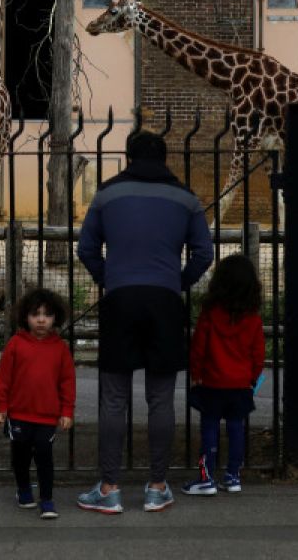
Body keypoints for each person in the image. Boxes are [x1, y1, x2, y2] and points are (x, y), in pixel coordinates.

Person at [75, 130, 214, 514]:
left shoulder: (106, 195)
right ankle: (156, 486)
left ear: (129, 156)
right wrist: (178, 282)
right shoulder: (187, 199)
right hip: (165, 301)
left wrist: (109, 277)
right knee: (161, 399)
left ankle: (110, 487)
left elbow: (86, 248)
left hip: (120, 299)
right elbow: (204, 252)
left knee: (114, 398)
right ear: (165, 157)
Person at [182, 254, 265, 496]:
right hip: (240, 383)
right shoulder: (253, 318)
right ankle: (233, 475)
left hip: (212, 381)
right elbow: (258, 353)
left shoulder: (210, 313)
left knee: (209, 427)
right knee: (236, 427)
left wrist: (196, 373)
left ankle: (206, 477)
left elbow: (199, 347)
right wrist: (253, 378)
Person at [0, 288, 76, 520]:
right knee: (20, 456)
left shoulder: (60, 348)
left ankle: (47, 500)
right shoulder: (15, 344)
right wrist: (2, 407)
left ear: (55, 318)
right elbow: (3, 379)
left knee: (44, 456)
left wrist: (67, 411)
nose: (41, 319)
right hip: (18, 415)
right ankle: (23, 489)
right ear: (25, 317)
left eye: (47, 315)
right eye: (35, 314)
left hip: (47, 417)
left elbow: (67, 382)